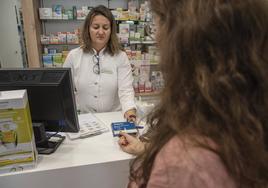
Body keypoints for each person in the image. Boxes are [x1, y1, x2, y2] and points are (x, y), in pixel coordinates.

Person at [118, 0, 268, 187]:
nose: (156, 35)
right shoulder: (247, 119)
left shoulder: (184, 162)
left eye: (161, 19)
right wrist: (145, 148)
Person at [63, 5, 136, 121]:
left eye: (106, 27)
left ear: (111, 30)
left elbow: (125, 90)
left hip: (114, 118)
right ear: (88, 28)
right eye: (96, 27)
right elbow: (65, 91)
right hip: (84, 119)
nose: (101, 32)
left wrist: (130, 113)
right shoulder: (74, 56)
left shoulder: (120, 57)